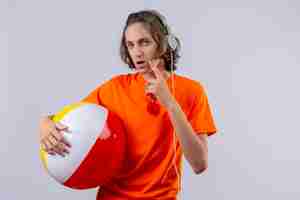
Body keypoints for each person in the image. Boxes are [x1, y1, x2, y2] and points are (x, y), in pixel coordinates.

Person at [39, 9, 217, 200]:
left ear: (165, 44)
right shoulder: (115, 88)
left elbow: (200, 164)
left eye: (144, 42)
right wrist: (45, 124)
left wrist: (171, 104)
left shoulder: (191, 91)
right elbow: (70, 119)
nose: (137, 53)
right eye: (130, 45)